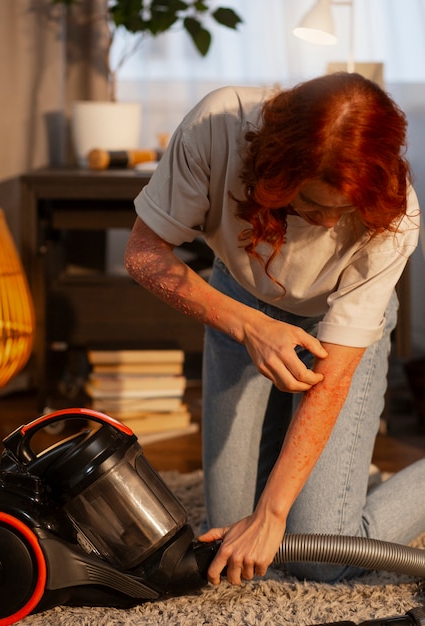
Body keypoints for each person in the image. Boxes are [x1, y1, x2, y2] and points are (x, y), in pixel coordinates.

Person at [124, 72, 424, 586]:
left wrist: (274, 513)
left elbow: (332, 378)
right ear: (277, 173)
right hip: (238, 301)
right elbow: (143, 254)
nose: (329, 222)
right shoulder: (216, 128)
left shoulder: (396, 217)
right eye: (311, 204)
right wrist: (247, 325)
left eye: (342, 210)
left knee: (315, 553)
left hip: (334, 329)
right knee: (226, 533)